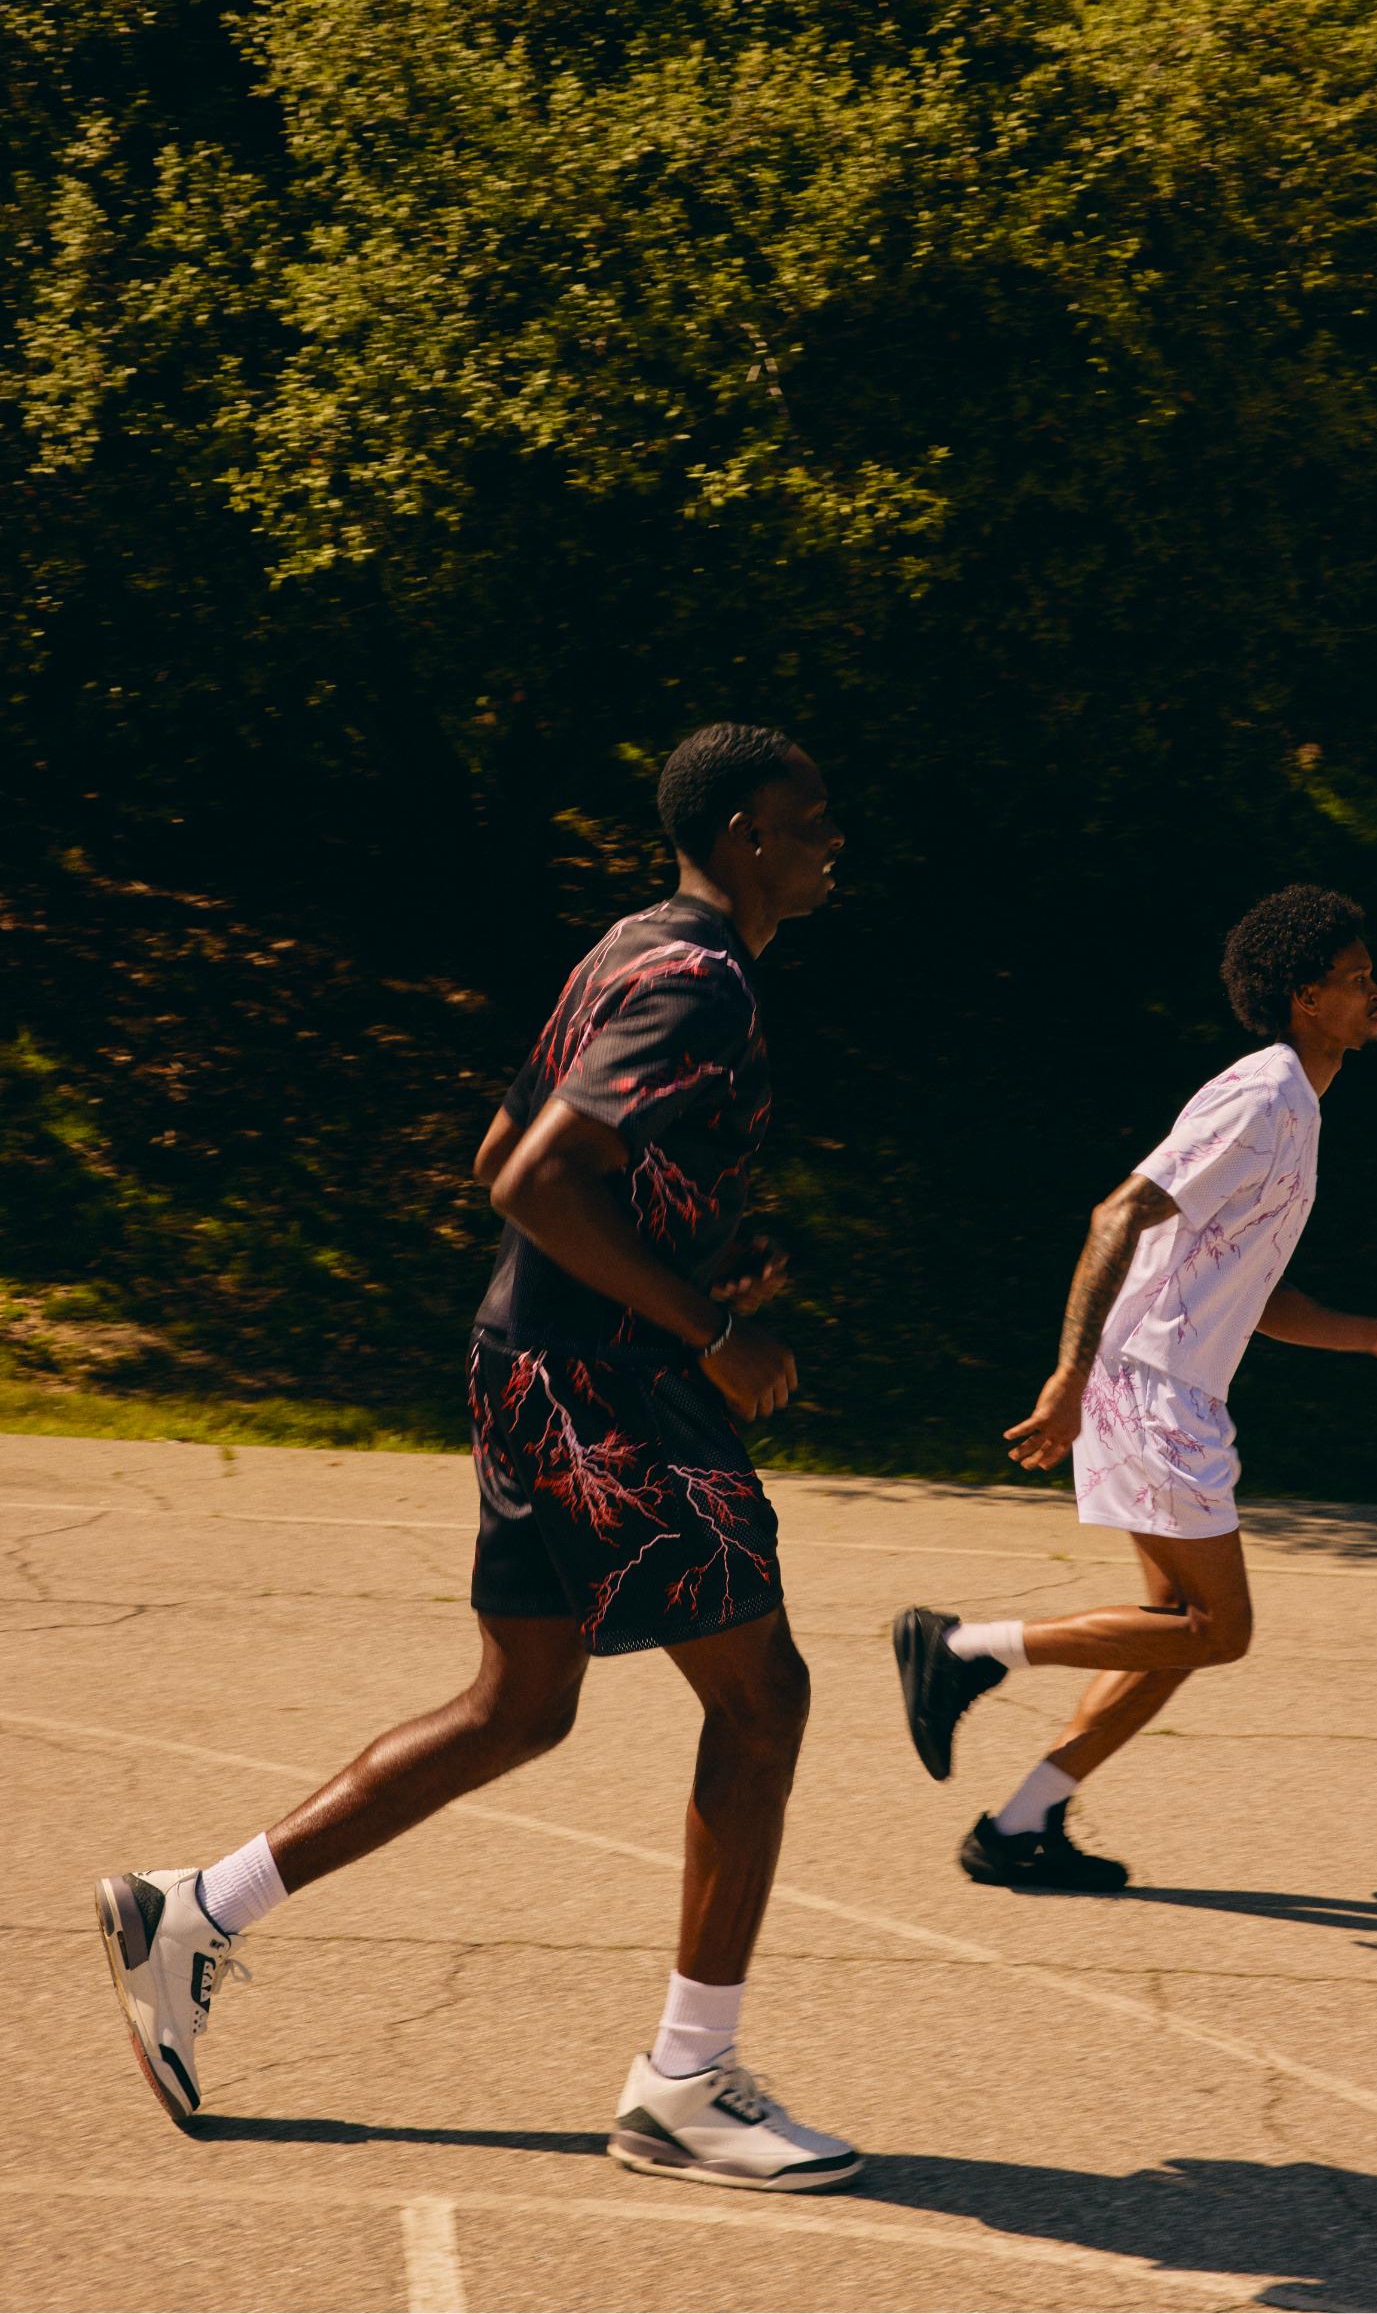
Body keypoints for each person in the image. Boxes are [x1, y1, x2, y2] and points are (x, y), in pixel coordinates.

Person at [97, 722, 862, 2192]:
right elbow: (524, 1178)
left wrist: (703, 1248)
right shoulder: (698, 985)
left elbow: (498, 1151)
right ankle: (686, 2086)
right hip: (606, 1390)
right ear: (743, 837)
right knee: (763, 1700)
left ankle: (193, 1911)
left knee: (519, 1709)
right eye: (808, 818)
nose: (832, 839)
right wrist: (705, 1323)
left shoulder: (633, 946)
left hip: (533, 1362)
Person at [893, 885, 1377, 1893]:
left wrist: (1368, 1334)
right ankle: (964, 1650)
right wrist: (1070, 1374)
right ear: (1303, 997)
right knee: (1218, 1629)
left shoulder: (1297, 1107)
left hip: (1165, 1384)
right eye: (1358, 979)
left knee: (1171, 1637)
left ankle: (1021, 1824)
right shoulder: (1264, 1095)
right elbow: (1118, 1215)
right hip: (1148, 1386)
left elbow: (1251, 1286)